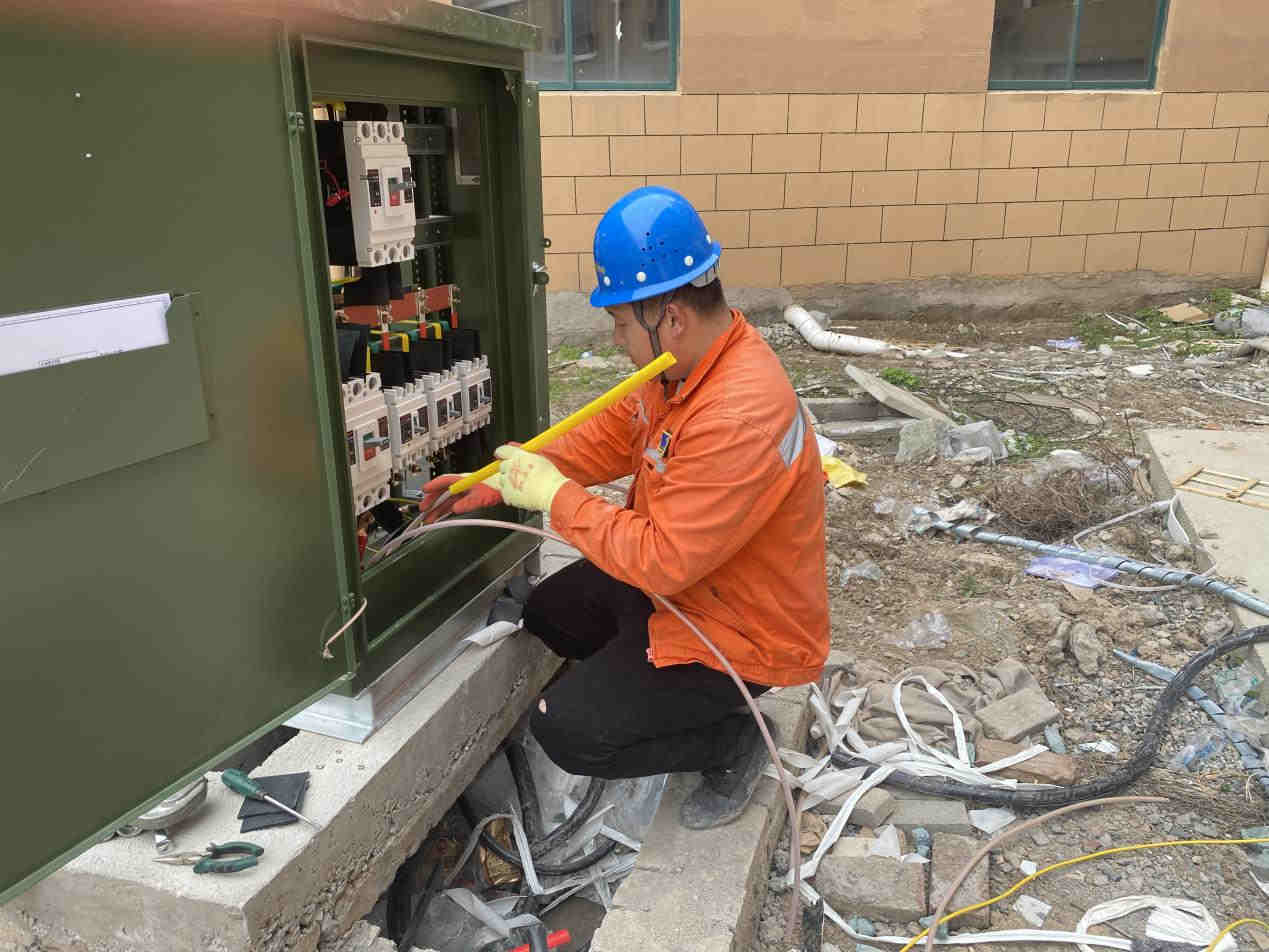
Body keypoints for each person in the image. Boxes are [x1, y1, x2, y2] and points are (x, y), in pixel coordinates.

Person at [420, 186, 829, 829]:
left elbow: (663, 558)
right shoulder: (686, 371)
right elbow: (607, 436)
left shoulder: (737, 412)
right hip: (698, 589)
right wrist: (500, 481)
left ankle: (733, 742)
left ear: (670, 316)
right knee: (551, 612)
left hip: (742, 631)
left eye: (619, 322)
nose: (615, 339)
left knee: (569, 732)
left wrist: (554, 496)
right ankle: (646, 693)